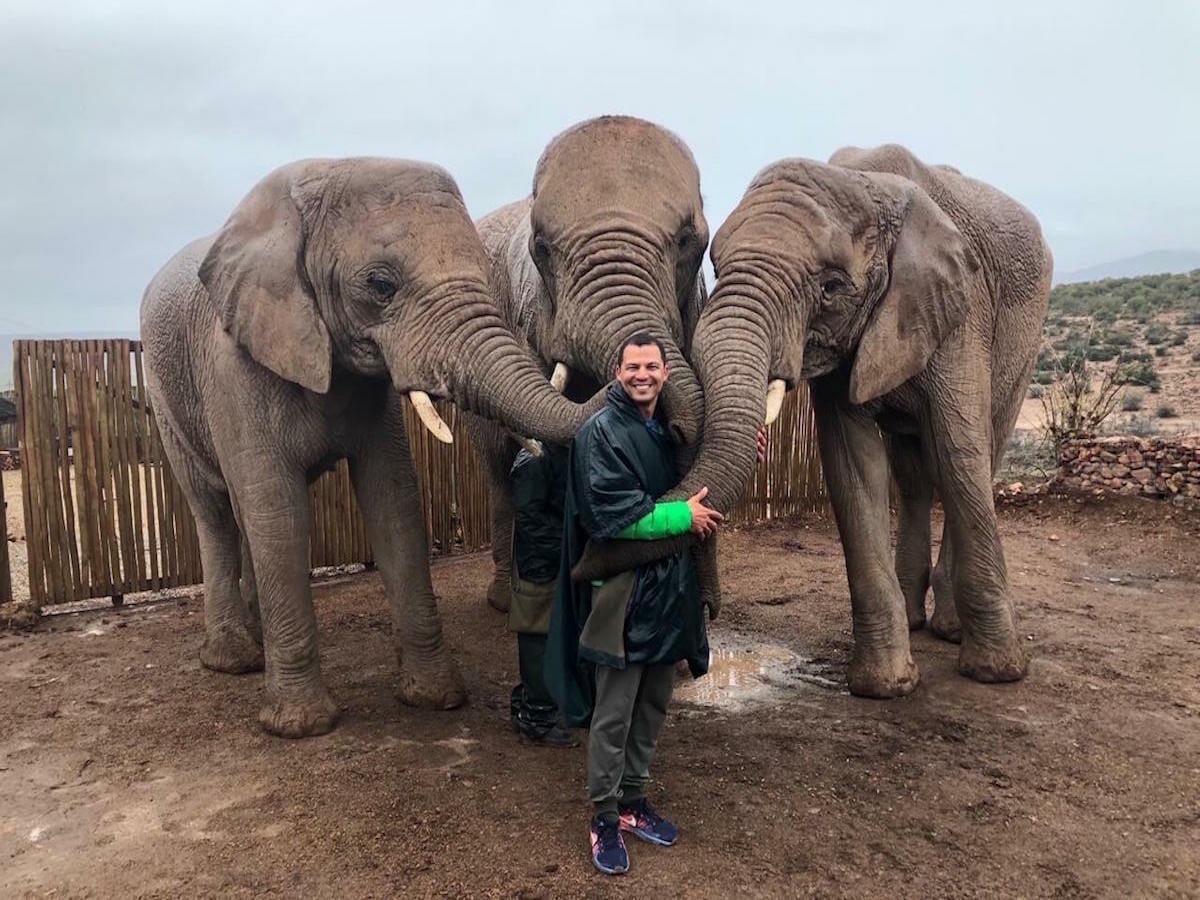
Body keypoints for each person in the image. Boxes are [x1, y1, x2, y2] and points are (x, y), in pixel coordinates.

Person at [545, 332, 724, 876]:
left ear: (665, 373)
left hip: (668, 592)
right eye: (632, 366)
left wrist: (741, 448)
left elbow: (699, 485)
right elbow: (609, 517)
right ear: (617, 373)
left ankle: (632, 802)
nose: (641, 375)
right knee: (614, 714)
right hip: (622, 597)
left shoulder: (661, 431)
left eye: (650, 366)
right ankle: (602, 816)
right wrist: (679, 519)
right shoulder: (600, 432)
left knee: (652, 706)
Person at [507, 440, 576, 747]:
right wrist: (569, 545)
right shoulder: (532, 458)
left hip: (547, 561)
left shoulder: (551, 451)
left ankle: (530, 706)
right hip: (537, 564)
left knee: (548, 636)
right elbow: (529, 518)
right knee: (536, 636)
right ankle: (536, 718)